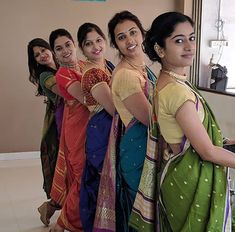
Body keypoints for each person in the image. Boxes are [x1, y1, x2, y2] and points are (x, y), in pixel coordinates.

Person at [130, 11, 235, 232]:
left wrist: (226, 141)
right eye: (179, 40)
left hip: (178, 175)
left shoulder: (168, 81)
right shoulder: (176, 92)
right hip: (189, 181)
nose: (189, 46)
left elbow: (190, 134)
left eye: (192, 37)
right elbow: (207, 152)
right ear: (160, 49)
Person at [94, 11, 156, 232]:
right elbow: (151, 119)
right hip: (138, 154)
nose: (130, 40)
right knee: (141, 217)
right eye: (121, 37)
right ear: (116, 44)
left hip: (149, 149)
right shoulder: (126, 75)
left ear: (142, 33)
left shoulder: (142, 67)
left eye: (133, 33)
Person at [49, 28, 90, 232]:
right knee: (81, 176)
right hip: (78, 131)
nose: (65, 50)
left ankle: (85, 219)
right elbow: (87, 99)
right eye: (59, 48)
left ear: (74, 45)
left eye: (67, 45)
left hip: (92, 128)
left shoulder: (84, 65)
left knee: (88, 176)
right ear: (55, 55)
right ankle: (63, 223)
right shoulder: (63, 74)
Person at [77, 22, 115, 232]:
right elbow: (113, 109)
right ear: (82, 49)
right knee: (103, 185)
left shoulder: (107, 65)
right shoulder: (93, 73)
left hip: (107, 128)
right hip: (102, 130)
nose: (96, 46)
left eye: (99, 40)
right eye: (88, 44)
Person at [27, 38, 63, 227]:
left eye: (43, 50)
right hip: (59, 125)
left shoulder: (63, 64)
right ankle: (51, 207)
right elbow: (65, 92)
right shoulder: (44, 76)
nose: (42, 55)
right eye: (37, 55)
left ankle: (51, 207)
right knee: (63, 168)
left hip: (74, 118)